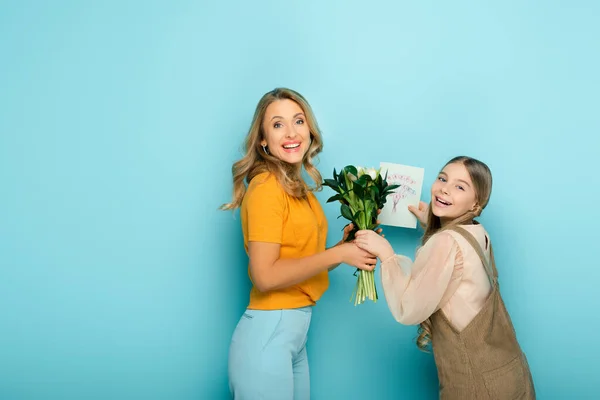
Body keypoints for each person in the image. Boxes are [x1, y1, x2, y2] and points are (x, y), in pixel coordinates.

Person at [220, 87, 377, 400]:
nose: (291, 133)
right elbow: (265, 276)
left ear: (310, 130)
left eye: (298, 121)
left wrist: (342, 249)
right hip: (270, 330)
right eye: (277, 125)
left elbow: (301, 262)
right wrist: (338, 254)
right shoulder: (266, 189)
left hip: (292, 331)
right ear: (263, 139)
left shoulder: (297, 189)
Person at [354, 156, 535, 399]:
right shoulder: (477, 233)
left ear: (475, 204)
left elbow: (409, 309)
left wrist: (386, 254)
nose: (444, 189)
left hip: (477, 385)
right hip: (510, 373)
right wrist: (432, 222)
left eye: (460, 187)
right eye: (442, 178)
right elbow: (460, 263)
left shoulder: (445, 242)